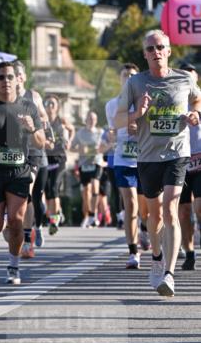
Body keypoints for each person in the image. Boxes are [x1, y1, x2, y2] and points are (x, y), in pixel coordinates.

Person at [114, 30, 201, 297]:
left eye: (160, 47)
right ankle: (155, 255)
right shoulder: (136, 83)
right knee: (155, 215)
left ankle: (169, 274)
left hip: (177, 153)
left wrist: (195, 113)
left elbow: (197, 98)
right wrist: (136, 113)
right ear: (144, 54)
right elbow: (116, 120)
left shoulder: (184, 79)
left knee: (172, 208)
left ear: (169, 50)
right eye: (150, 49)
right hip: (148, 156)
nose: (156, 53)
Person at [0, 61, 45, 285]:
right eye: (1, 77)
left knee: (16, 220)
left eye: (10, 77)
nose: (6, 81)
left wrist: (31, 128)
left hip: (19, 171)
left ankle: (13, 267)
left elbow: (41, 142)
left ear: (18, 80)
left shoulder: (28, 106)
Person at [105, 63, 145, 268]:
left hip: (145, 160)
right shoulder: (112, 104)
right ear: (120, 79)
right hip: (123, 160)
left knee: (146, 210)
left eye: (132, 76)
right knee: (131, 206)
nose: (129, 78)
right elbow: (112, 131)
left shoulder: (145, 102)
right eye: (125, 75)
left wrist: (138, 128)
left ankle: (145, 229)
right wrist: (112, 135)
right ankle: (133, 252)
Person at [13, 60, 49, 257]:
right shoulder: (6, 97)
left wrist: (33, 122)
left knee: (29, 194)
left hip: (33, 151)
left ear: (23, 77)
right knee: (19, 196)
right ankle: (19, 229)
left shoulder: (33, 96)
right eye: (12, 75)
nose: (15, 80)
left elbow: (44, 120)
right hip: (13, 152)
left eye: (19, 75)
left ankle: (28, 240)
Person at [178, 62, 201, 271]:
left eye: (191, 78)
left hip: (200, 161)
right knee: (184, 212)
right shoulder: (174, 101)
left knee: (199, 207)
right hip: (180, 161)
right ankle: (190, 253)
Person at [43, 95, 72, 235]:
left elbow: (71, 130)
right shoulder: (42, 121)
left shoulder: (62, 120)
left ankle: (53, 221)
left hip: (60, 159)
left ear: (57, 106)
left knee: (54, 187)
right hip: (45, 159)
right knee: (48, 191)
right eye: (47, 103)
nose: (50, 106)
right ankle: (56, 213)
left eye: (53, 103)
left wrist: (69, 141)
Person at [72, 111, 104, 227]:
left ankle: (92, 214)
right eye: (89, 118)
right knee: (86, 192)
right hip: (83, 164)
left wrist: (100, 150)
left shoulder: (100, 132)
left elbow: (105, 146)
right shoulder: (80, 133)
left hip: (96, 163)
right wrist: (80, 150)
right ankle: (88, 216)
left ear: (96, 121)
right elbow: (71, 147)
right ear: (86, 120)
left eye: (94, 119)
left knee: (95, 186)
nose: (92, 121)